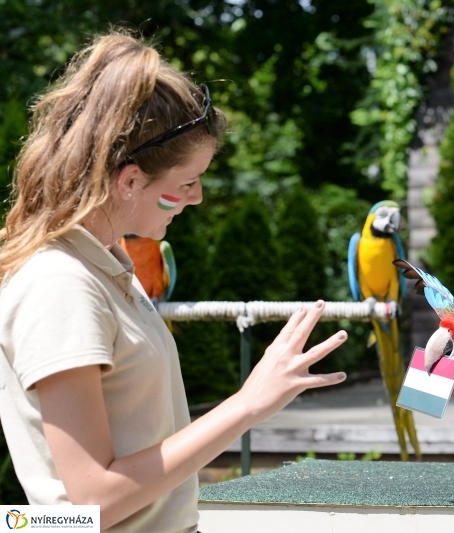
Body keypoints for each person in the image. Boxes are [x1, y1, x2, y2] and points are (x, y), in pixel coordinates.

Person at [0, 32, 347, 532]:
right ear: (130, 181)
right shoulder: (60, 284)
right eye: (187, 183)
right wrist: (248, 404)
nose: (198, 197)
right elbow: (89, 504)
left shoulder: (107, 266)